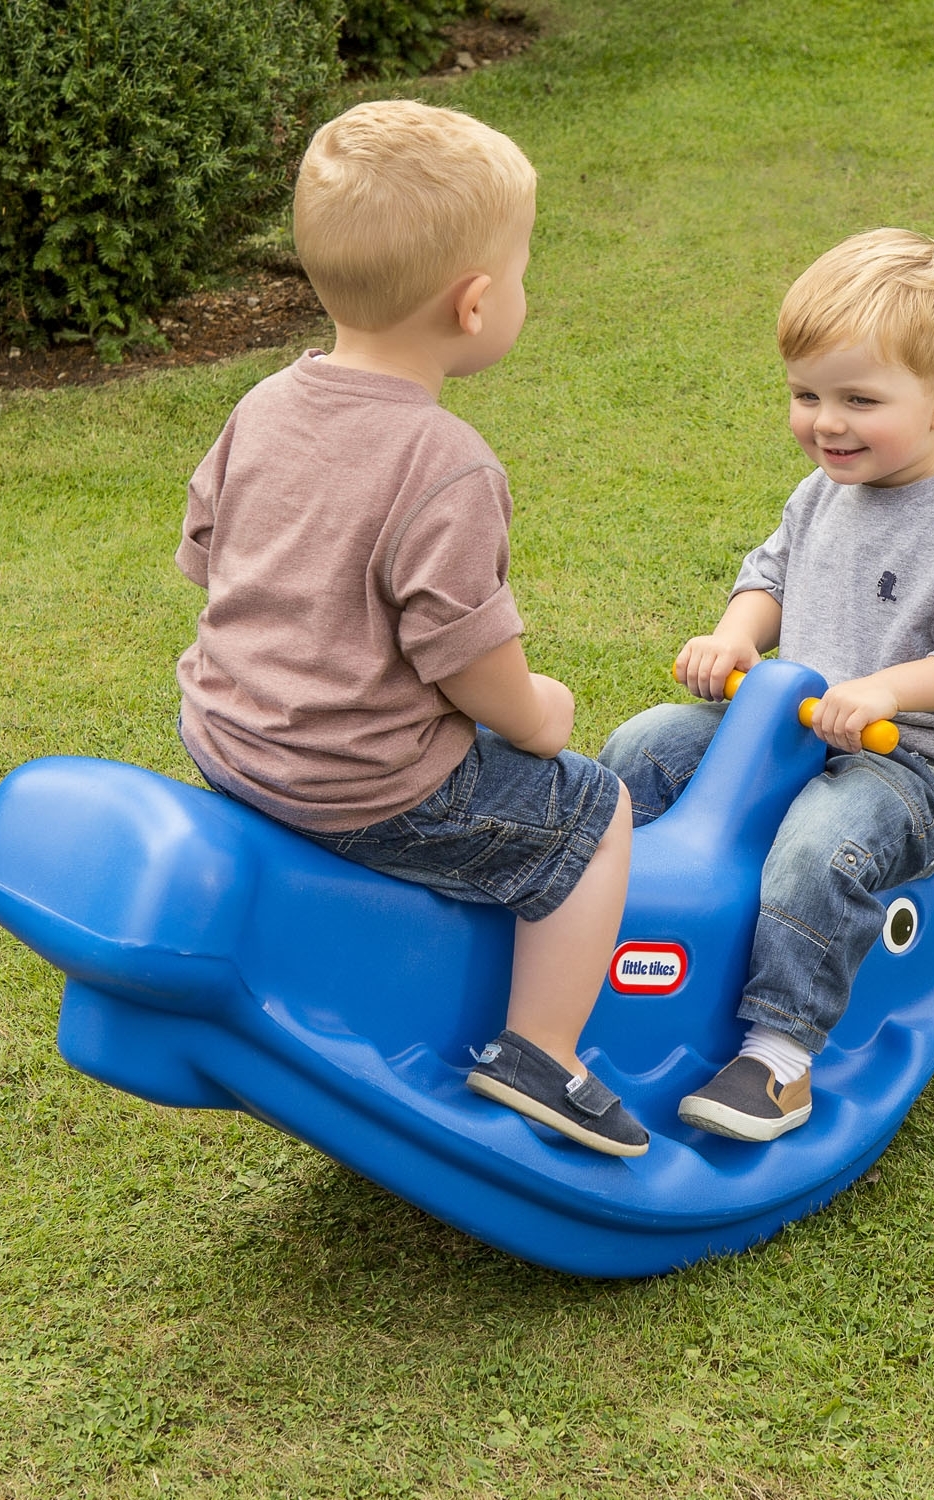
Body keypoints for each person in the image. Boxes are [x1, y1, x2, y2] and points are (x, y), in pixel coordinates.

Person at [173, 100, 646, 1157]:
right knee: (591, 812)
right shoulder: (446, 462)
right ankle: (543, 1053)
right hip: (357, 780)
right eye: (521, 271)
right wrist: (540, 716)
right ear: (475, 305)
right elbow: (470, 664)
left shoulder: (264, 405)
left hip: (224, 740)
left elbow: (210, 561)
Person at [600, 228, 934, 1143]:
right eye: (806, 395)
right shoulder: (821, 493)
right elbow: (769, 580)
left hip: (913, 770)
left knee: (819, 847)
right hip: (792, 730)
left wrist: (882, 692)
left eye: (858, 400)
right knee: (643, 744)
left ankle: (780, 1055)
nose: (825, 423)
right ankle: (605, 940)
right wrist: (731, 637)